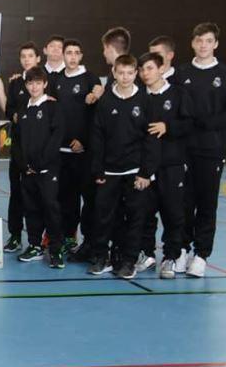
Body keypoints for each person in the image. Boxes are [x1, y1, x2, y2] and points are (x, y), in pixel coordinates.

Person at [175, 22, 226, 277]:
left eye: (208, 41)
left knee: (206, 203)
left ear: (216, 44)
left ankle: (201, 254)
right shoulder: (181, 72)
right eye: (199, 40)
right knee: (183, 202)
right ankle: (180, 249)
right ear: (192, 42)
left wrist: (212, 123)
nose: (203, 45)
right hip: (184, 149)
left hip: (212, 149)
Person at [88, 54, 159, 279]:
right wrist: (98, 169)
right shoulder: (106, 101)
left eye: (130, 73)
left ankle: (129, 261)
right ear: (114, 73)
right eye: (121, 73)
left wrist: (146, 172)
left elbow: (151, 139)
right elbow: (97, 137)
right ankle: (102, 257)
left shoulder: (146, 101)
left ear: (136, 73)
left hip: (135, 173)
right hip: (109, 171)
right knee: (103, 217)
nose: (125, 77)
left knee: (136, 218)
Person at [138, 52, 192, 278]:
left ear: (161, 69)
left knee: (172, 212)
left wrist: (167, 126)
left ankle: (171, 257)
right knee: (144, 212)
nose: (145, 73)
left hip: (172, 164)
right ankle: (147, 254)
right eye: (141, 69)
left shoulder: (178, 94)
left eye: (149, 68)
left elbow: (189, 124)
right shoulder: (139, 96)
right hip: (145, 168)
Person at [52, 39, 102, 261]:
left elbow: (94, 114)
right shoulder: (58, 79)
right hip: (61, 152)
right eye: (68, 53)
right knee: (65, 199)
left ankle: (90, 244)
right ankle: (68, 239)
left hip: (82, 152)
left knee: (88, 200)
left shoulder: (90, 78)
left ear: (81, 56)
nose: (72, 57)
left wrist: (83, 140)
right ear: (63, 55)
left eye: (76, 53)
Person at [14, 68, 65, 268]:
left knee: (51, 209)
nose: (34, 87)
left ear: (44, 84)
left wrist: (43, 163)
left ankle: (56, 249)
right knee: (31, 208)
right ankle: (34, 245)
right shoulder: (23, 110)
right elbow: (17, 142)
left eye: (38, 83)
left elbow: (56, 137)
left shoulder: (53, 107)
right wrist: (23, 165)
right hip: (28, 172)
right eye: (30, 83)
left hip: (47, 171)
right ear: (26, 85)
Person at [4, 42, 41, 253]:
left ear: (38, 59)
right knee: (16, 194)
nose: (27, 59)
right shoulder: (16, 83)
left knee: (38, 196)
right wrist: (14, 115)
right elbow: (9, 109)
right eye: (23, 56)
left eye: (30, 56)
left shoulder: (45, 82)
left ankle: (39, 240)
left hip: (39, 152)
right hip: (18, 150)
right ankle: (15, 235)